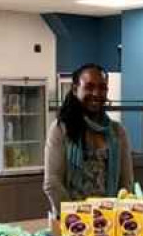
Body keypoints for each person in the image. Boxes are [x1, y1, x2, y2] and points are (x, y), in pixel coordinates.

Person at [43, 63, 133, 216]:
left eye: (102, 87)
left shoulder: (118, 132)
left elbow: (126, 184)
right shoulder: (60, 130)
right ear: (75, 89)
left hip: (109, 222)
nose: (96, 93)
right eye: (89, 87)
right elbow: (52, 183)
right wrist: (77, 219)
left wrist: (116, 218)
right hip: (72, 224)